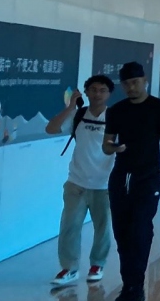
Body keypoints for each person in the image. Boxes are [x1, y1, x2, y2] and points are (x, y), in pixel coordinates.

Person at [102, 62, 160, 301]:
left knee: (140, 230)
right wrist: (114, 148)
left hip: (148, 178)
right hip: (121, 178)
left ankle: (137, 289)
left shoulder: (159, 108)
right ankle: (128, 286)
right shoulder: (116, 111)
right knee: (122, 233)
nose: (130, 87)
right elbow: (106, 145)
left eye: (135, 82)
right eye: (126, 84)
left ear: (144, 81)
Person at [46, 75, 116, 287]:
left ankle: (97, 265)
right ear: (85, 92)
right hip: (76, 183)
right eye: (93, 90)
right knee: (69, 227)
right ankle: (69, 268)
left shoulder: (114, 118)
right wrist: (70, 107)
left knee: (103, 228)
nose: (97, 94)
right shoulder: (77, 115)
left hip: (104, 184)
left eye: (102, 90)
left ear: (109, 94)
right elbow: (51, 128)